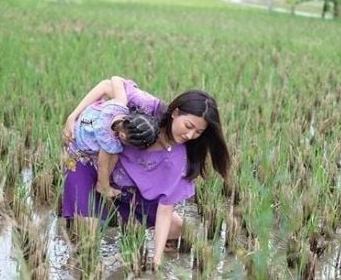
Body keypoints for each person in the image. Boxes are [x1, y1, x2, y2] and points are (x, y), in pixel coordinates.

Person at [62, 76, 230, 270]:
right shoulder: (148, 107)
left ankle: (132, 234)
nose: (190, 135)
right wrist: (72, 116)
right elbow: (108, 85)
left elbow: (165, 209)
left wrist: (156, 259)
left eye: (198, 133)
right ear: (175, 113)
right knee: (87, 239)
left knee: (180, 230)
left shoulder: (181, 158)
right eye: (189, 126)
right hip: (88, 162)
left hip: (124, 185)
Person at [64, 76, 160, 198]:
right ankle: (102, 187)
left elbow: (115, 79)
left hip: (88, 117)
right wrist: (104, 184)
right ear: (124, 136)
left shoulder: (120, 104)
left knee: (113, 153)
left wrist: (126, 83)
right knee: (114, 156)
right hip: (82, 138)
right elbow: (102, 166)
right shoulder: (109, 143)